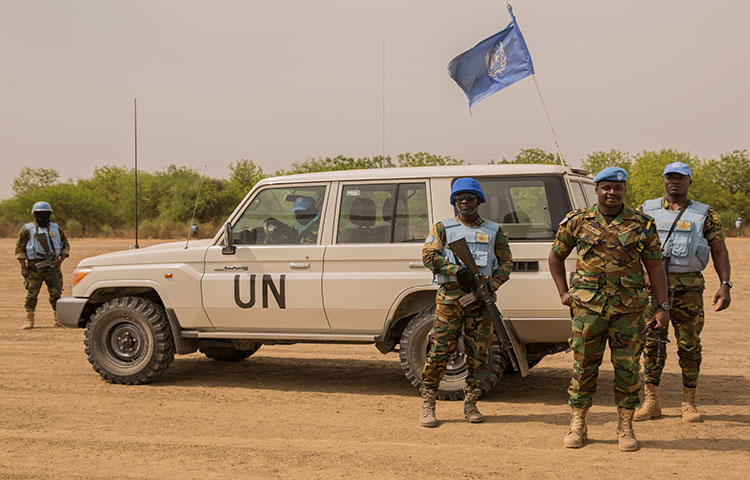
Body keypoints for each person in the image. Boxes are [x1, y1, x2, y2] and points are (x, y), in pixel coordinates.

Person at [548, 167, 669, 452]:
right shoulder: (577, 221)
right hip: (588, 310)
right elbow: (555, 256)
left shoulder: (642, 223)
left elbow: (655, 266)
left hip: (629, 310)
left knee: (627, 369)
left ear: (624, 190)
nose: (612, 193)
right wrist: (564, 293)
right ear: (597, 190)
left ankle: (625, 426)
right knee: (584, 366)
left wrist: (662, 307)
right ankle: (578, 423)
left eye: (618, 188)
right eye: (606, 188)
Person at [635, 161, 731, 423]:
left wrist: (725, 284)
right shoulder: (646, 209)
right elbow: (632, 244)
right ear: (664, 180)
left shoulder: (704, 214)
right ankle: (651, 400)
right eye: (670, 177)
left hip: (688, 288)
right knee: (652, 344)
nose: (674, 182)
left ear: (689, 181)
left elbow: (719, 249)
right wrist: (643, 273)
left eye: (680, 178)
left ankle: (689, 403)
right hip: (654, 288)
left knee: (689, 345)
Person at [420, 177, 513, 427]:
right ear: (454, 202)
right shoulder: (443, 228)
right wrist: (454, 270)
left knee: (479, 354)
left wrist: (490, 286)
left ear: (478, 201)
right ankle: (428, 402)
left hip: (480, 302)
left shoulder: (494, 232)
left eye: (470, 198)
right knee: (439, 350)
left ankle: (471, 403)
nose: (464, 202)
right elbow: (429, 256)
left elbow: (506, 264)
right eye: (459, 198)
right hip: (450, 299)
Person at [15, 201, 70, 329]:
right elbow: (20, 248)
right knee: (32, 294)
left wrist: (61, 259)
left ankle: (58, 319)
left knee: (56, 293)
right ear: (35, 215)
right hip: (34, 267)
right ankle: (29, 320)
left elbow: (65, 245)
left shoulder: (56, 228)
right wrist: (23, 267)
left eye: (45, 214)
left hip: (53, 266)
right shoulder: (28, 229)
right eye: (40, 214)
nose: (43, 216)